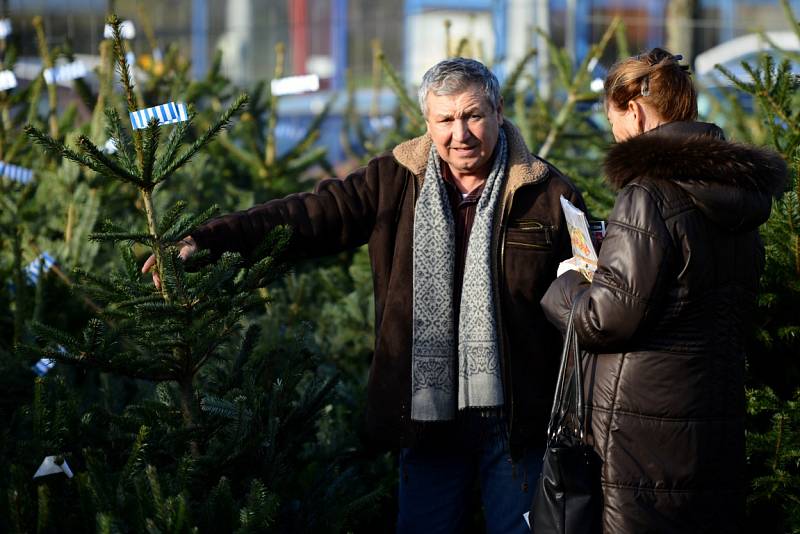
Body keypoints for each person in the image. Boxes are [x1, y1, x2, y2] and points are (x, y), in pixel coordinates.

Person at [144, 57, 585, 533]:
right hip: (426, 412)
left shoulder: (547, 193)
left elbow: (585, 299)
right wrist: (207, 240)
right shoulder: (393, 181)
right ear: (427, 123)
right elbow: (307, 216)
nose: (461, 133)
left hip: (516, 420)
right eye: (446, 120)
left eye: (473, 115)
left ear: (498, 110)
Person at [540, 48, 787, 533]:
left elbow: (605, 318)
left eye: (613, 120)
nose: (614, 135)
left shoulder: (648, 193)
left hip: (641, 431)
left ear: (633, 111)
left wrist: (567, 280)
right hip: (713, 418)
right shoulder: (737, 195)